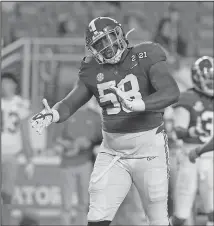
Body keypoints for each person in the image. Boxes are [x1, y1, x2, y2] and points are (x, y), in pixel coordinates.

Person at [31, 17, 180, 226]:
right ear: (93, 49)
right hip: (113, 150)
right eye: (99, 44)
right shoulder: (91, 67)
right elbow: (70, 102)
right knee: (97, 214)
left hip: (149, 147)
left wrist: (139, 105)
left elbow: (171, 91)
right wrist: (53, 114)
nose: (107, 47)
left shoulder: (146, 53)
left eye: (108, 39)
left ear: (119, 34)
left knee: (157, 216)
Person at [170, 56, 214, 226]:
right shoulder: (187, 97)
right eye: (209, 79)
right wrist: (191, 130)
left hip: (210, 157)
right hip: (190, 156)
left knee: (212, 209)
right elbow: (179, 131)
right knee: (181, 213)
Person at [1, 72, 34, 226]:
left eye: (8, 83)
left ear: (14, 85)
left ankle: (5, 222)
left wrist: (29, 159)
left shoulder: (20, 104)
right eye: (2, 83)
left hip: (11, 155)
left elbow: (25, 134)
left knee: (7, 195)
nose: (4, 86)